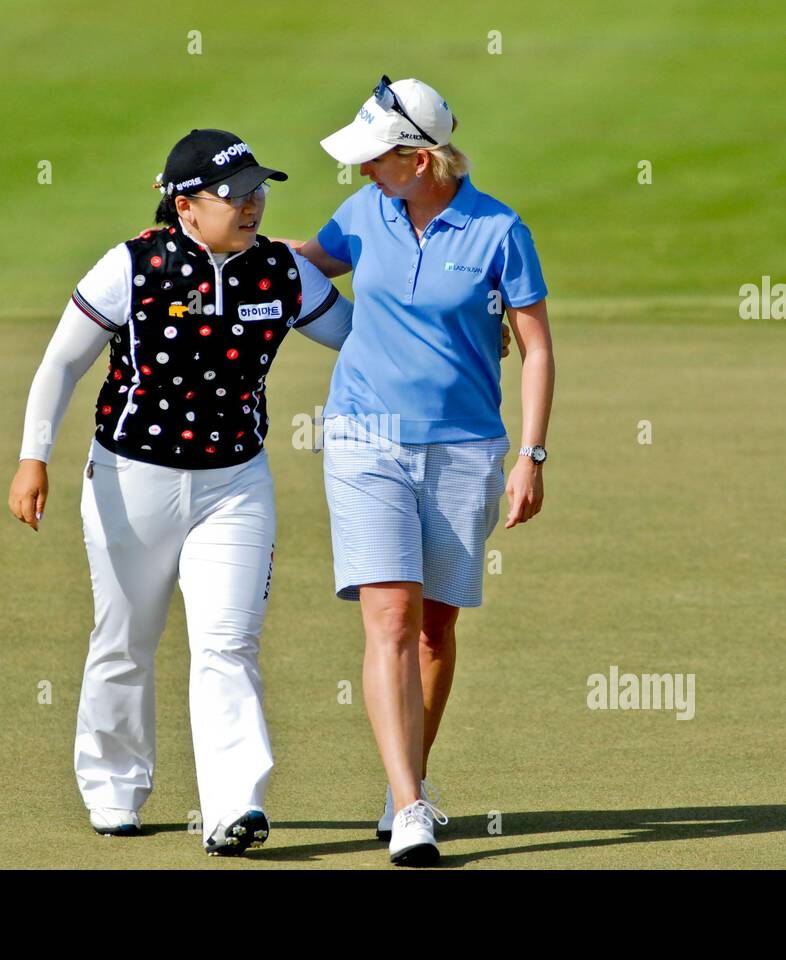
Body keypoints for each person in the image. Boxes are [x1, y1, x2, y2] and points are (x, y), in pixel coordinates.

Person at [7, 128, 353, 856]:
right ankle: (113, 789)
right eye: (238, 194)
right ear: (186, 205)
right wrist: (32, 459)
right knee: (125, 640)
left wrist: (457, 327)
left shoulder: (283, 273)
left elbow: (360, 337)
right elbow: (59, 365)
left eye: (260, 189)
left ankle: (234, 806)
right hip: (132, 478)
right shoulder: (133, 265)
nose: (255, 204)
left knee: (229, 644)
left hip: (236, 484)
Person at [296, 76, 556, 866]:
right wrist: (237, 246)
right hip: (363, 437)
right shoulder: (363, 212)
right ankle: (411, 805)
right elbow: (313, 259)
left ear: (418, 157)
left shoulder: (499, 229)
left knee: (436, 626)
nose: (364, 169)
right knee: (391, 619)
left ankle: (403, 778)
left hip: (466, 448)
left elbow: (536, 346)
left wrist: (530, 456)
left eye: (376, 157)